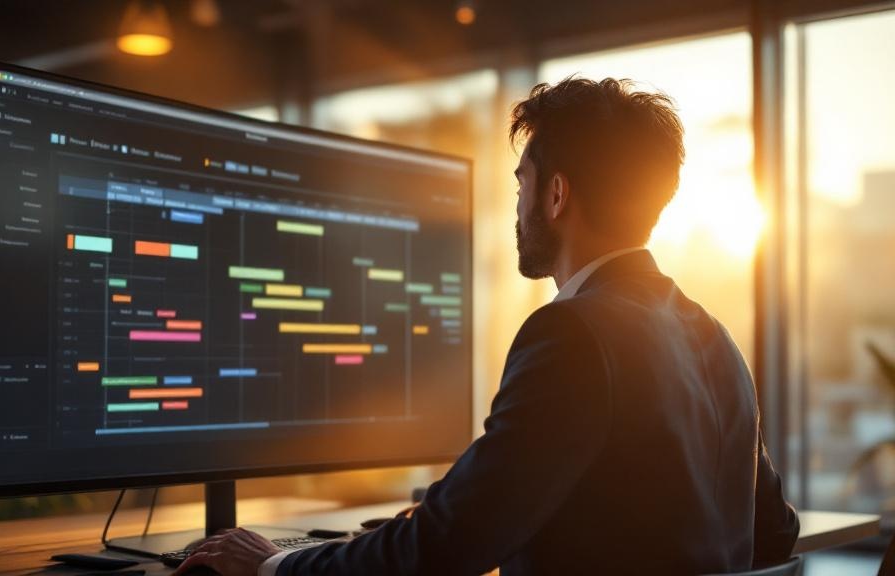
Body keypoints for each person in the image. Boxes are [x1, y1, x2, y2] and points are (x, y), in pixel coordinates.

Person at [173, 76, 800, 576]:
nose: (518, 205)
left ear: (556, 194)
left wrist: (278, 565)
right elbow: (775, 532)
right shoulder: (714, 337)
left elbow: (452, 543)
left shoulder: (573, 335)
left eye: (522, 182)